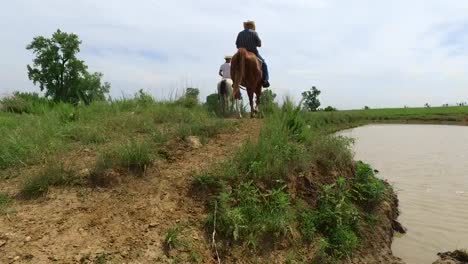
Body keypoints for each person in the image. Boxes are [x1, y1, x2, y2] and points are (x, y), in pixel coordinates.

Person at [235, 20, 270, 88]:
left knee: (234, 66)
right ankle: (265, 81)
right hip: (253, 52)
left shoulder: (240, 33)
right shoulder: (254, 33)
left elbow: (237, 45)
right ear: (252, 26)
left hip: (240, 54)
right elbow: (259, 44)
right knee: (264, 64)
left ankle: (234, 80)